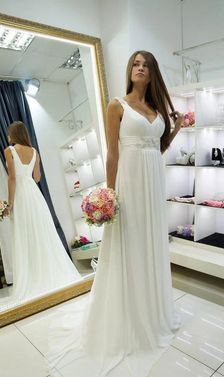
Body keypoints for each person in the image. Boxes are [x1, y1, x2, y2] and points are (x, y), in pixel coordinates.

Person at [48, 51, 184, 377]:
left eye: (146, 65)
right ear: (130, 70)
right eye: (136, 64)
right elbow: (113, 153)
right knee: (129, 246)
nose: (140, 68)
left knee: (150, 245)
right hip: (130, 185)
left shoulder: (155, 110)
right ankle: (130, 319)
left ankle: (152, 312)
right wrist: (108, 196)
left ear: (152, 74)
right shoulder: (117, 105)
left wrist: (175, 127)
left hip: (153, 185)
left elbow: (157, 147)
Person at [3, 121, 82, 302]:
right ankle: (48, 274)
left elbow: (12, 178)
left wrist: (10, 203)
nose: (8, 136)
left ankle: (33, 277)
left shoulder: (10, 151)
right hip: (35, 196)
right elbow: (37, 178)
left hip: (22, 197)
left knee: (24, 235)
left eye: (9, 133)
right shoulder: (34, 152)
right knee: (41, 233)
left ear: (13, 134)